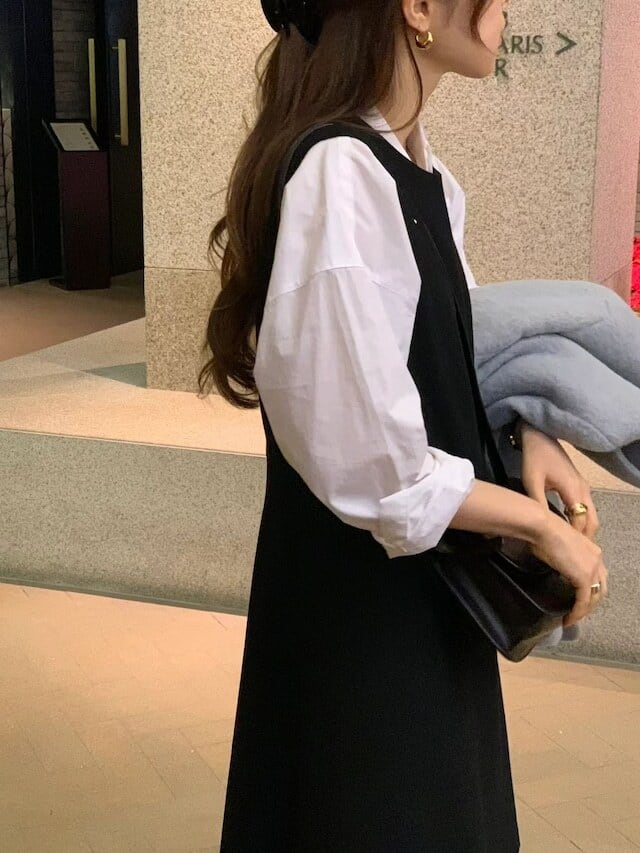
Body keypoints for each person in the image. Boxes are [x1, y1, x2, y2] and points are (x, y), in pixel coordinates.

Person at [200, 0, 609, 849]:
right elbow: (373, 463)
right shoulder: (340, 174)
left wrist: (531, 432)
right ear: (417, 9)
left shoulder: (416, 172)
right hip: (365, 619)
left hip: (423, 598)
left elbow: (448, 356)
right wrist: (540, 527)